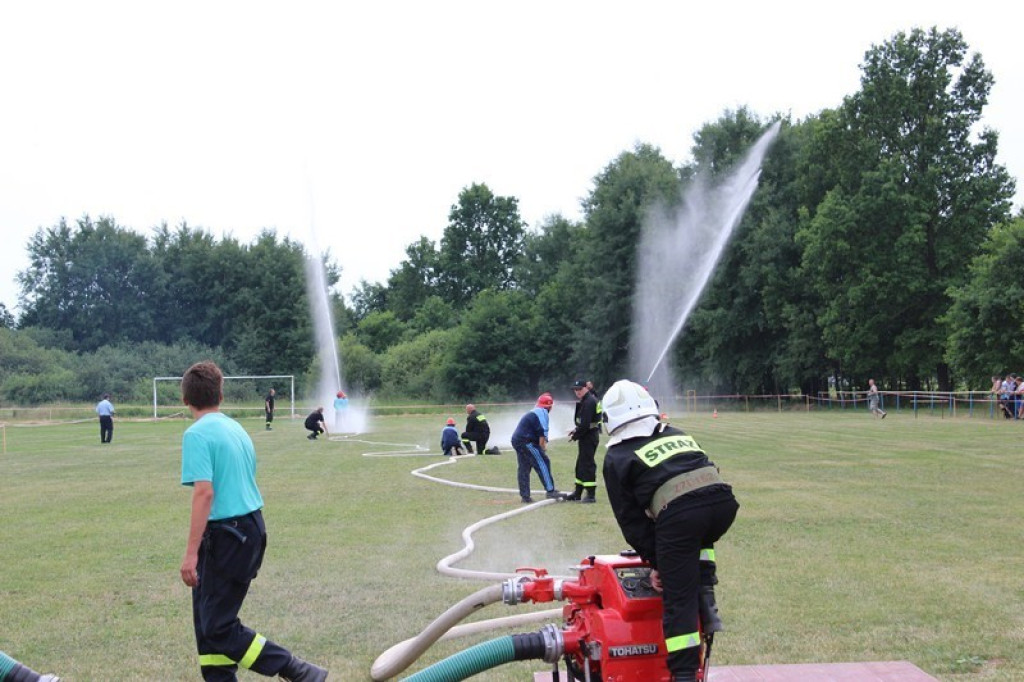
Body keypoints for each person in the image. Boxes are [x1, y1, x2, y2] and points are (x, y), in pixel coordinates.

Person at [178, 361, 327, 682]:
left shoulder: (196, 435)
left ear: (184, 399)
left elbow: (204, 493)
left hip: (226, 536)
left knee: (217, 627)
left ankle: (297, 670)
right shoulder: (236, 429)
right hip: (249, 529)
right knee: (210, 623)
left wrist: (191, 554)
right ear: (221, 393)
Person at [601, 380, 738, 682]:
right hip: (723, 504)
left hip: (682, 517)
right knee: (697, 534)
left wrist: (658, 562)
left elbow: (632, 523)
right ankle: (707, 595)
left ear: (609, 420)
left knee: (679, 599)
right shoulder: (676, 433)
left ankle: (685, 673)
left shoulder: (618, 457)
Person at [510, 393, 565, 503]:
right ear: (550, 406)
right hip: (527, 441)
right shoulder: (543, 413)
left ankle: (525, 496)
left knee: (524, 467)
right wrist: (542, 448)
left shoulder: (534, 411)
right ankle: (550, 491)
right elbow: (542, 434)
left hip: (517, 440)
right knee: (543, 462)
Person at [567, 379, 601, 503]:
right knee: (580, 464)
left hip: (589, 436)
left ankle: (591, 495)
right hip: (586, 435)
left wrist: (575, 435)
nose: (577, 392)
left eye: (579, 389)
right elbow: (584, 423)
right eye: (575, 390)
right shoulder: (586, 400)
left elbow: (586, 424)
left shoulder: (589, 401)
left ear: (586, 388)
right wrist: (576, 430)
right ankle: (578, 493)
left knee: (587, 464)